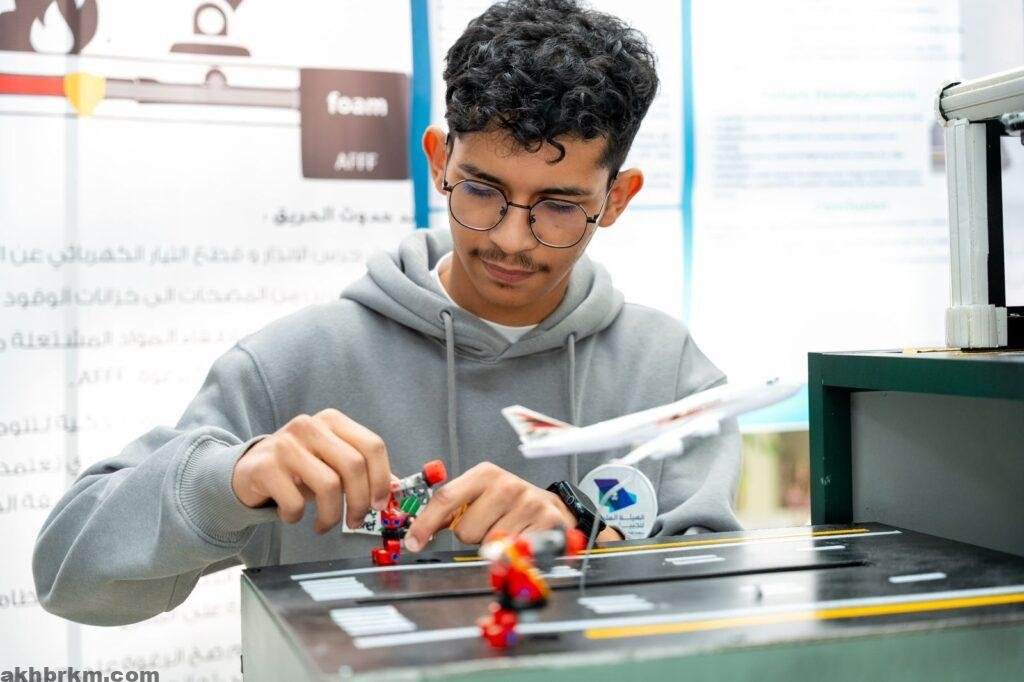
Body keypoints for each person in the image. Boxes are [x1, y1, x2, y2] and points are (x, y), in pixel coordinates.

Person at [32, 0, 741, 627]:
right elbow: (68, 578)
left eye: (558, 206)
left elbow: (723, 614)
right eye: (482, 190)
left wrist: (582, 538)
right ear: (438, 161)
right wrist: (229, 479)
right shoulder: (293, 365)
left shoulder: (670, 378)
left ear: (616, 199)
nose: (510, 238)